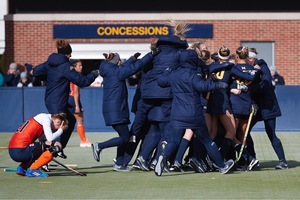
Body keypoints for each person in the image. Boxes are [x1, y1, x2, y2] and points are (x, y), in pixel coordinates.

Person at [155, 49, 235, 176]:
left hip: (177, 114)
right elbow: (203, 87)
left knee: (173, 141)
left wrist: (167, 71)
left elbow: (161, 81)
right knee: (208, 141)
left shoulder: (174, 74)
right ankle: (222, 166)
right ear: (193, 60)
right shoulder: (193, 74)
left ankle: (162, 157)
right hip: (194, 113)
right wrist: (219, 85)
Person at [91, 51, 155, 172]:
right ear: (117, 61)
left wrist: (132, 58)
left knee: (124, 136)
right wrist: (150, 55)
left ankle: (119, 163)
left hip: (114, 109)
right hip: (117, 110)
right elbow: (135, 68)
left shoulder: (111, 70)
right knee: (125, 138)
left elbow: (125, 68)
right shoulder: (116, 72)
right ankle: (99, 146)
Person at [33, 39, 99, 151]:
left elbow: (35, 72)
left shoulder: (50, 63)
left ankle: (58, 146)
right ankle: (44, 151)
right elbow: (82, 82)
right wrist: (94, 74)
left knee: (71, 120)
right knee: (57, 126)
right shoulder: (65, 66)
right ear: (67, 54)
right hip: (57, 102)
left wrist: (50, 78)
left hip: (51, 100)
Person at [247, 48, 288, 170]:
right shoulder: (249, 68)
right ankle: (253, 159)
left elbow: (265, 84)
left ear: (254, 58)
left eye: (250, 58)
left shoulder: (262, 66)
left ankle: (283, 161)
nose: (248, 60)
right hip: (257, 107)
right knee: (245, 131)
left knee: (271, 133)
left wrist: (252, 87)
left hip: (268, 106)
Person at [8, 112, 68, 178]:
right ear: (58, 122)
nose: (55, 130)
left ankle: (22, 168)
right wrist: (60, 130)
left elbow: (44, 141)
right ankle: (33, 170)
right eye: (56, 128)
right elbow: (50, 138)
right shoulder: (46, 119)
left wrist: (53, 144)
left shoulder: (41, 118)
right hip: (19, 150)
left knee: (45, 147)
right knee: (54, 149)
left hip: (14, 150)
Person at [68, 59, 92, 147]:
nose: (81, 67)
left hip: (68, 99)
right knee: (80, 121)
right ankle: (83, 140)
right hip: (74, 100)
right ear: (74, 67)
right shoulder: (76, 76)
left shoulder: (69, 75)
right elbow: (76, 92)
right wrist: (77, 105)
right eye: (79, 66)